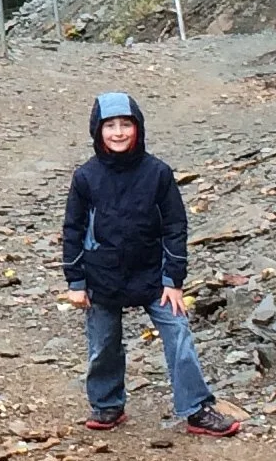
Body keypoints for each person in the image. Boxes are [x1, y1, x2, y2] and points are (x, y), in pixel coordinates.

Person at [61, 89, 239, 435]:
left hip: (153, 276)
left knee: (179, 333)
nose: (117, 132)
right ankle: (107, 404)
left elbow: (175, 226)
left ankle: (196, 409)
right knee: (102, 346)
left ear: (138, 127)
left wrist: (173, 279)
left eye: (125, 124)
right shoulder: (86, 177)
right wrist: (76, 282)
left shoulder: (157, 173)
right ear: (97, 130)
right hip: (102, 277)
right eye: (109, 125)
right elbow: (73, 229)